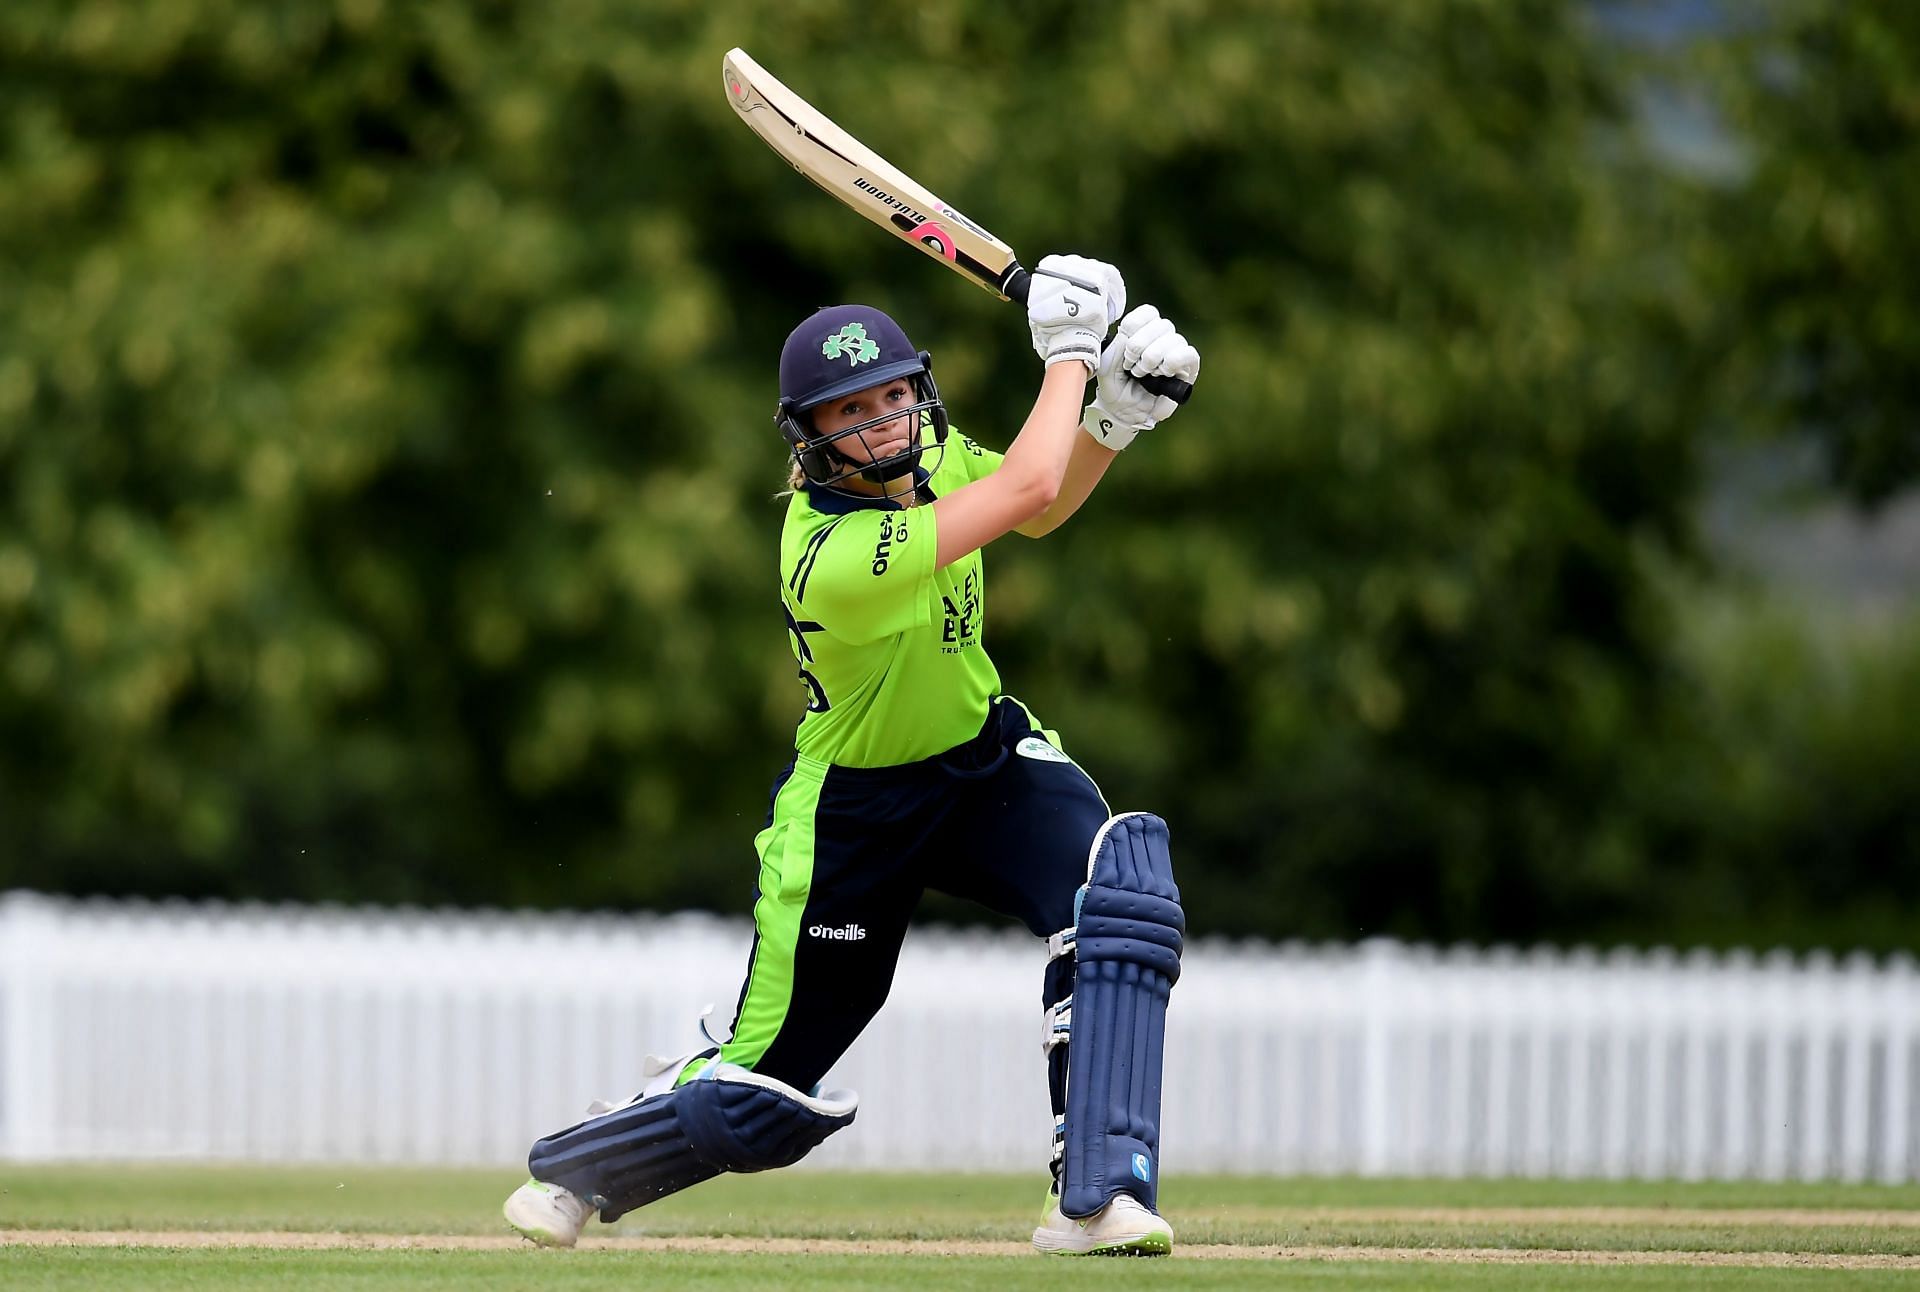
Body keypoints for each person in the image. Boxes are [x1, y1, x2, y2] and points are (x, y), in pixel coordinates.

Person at [503, 254, 1201, 1256]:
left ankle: (1097, 1195)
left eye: (892, 395)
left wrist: (1113, 419)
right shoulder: (826, 555)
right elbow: (1027, 483)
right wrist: (1073, 358)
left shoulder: (933, 452)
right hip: (854, 815)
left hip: (980, 761)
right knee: (765, 1103)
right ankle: (583, 1165)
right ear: (810, 436)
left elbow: (1040, 504)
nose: (882, 422)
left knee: (1116, 890)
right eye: (849, 410)